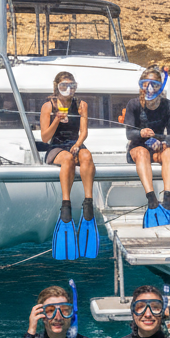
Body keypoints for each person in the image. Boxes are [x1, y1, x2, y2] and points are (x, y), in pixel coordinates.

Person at [41, 71, 97, 260]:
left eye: (72, 86)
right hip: (56, 147)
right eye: (64, 86)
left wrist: (78, 145)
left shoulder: (81, 105)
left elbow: (84, 131)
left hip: (75, 144)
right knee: (66, 159)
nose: (68, 90)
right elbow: (45, 137)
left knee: (87, 156)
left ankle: (88, 204)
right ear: (56, 87)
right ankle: (66, 206)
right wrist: (56, 119)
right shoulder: (48, 106)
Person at [124, 65, 170, 226]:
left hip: (157, 149)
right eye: (145, 84)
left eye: (154, 84)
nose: (149, 88)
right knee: (142, 152)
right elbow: (129, 134)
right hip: (138, 149)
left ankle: (168, 200)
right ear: (141, 86)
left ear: (160, 86)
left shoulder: (169, 106)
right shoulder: (134, 105)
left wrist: (162, 141)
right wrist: (141, 133)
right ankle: (152, 201)